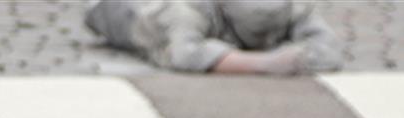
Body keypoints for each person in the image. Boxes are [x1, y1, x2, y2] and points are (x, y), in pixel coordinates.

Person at [84, 0, 342, 75]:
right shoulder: (187, 10)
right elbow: (185, 54)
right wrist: (262, 63)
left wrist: (298, 58)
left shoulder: (285, 8)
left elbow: (329, 51)